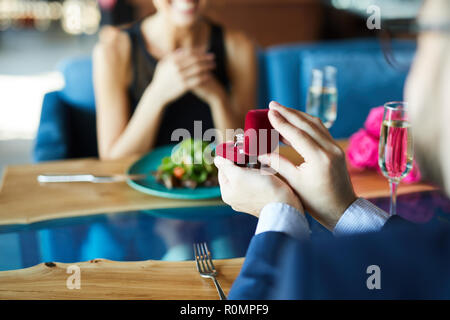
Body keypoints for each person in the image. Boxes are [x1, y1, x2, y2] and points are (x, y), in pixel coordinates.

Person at [214, 0, 450, 299]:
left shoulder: (319, 269)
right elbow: (426, 269)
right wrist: (342, 208)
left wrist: (278, 211)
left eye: (421, 39)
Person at [93, 0, 256, 159]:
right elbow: (112, 162)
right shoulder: (112, 52)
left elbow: (244, 155)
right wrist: (157, 94)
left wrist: (217, 97)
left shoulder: (239, 47)